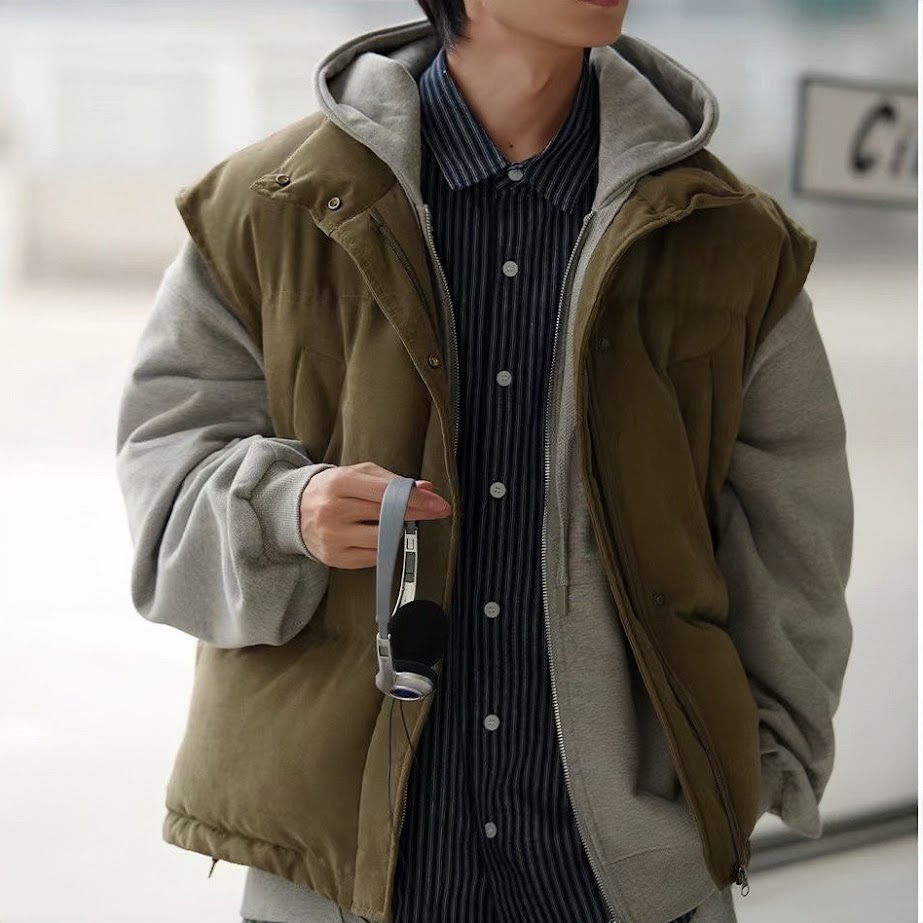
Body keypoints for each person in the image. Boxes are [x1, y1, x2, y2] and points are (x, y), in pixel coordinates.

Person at [114, 1, 854, 922]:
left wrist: (751, 769)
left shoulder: (729, 239)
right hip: (347, 869)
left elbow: (796, 536)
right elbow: (164, 478)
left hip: (625, 874)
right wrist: (282, 509)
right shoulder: (268, 206)